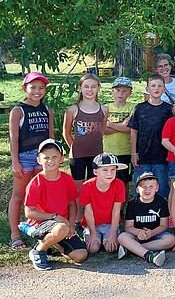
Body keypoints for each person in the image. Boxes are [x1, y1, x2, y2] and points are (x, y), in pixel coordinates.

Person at [22, 139, 87, 270]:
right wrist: (54, 216)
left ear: (61, 159)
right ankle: (38, 250)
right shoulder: (36, 183)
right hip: (41, 222)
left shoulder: (67, 179)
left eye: (54, 157)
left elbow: (72, 204)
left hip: (62, 224)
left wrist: (72, 224)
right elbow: (29, 212)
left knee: (81, 255)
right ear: (39, 160)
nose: (50, 161)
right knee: (61, 228)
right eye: (46, 157)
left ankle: (54, 243)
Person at [8, 72, 54, 250]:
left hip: (43, 158)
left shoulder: (46, 109)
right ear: (24, 88)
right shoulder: (18, 110)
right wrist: (15, 162)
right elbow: (13, 139)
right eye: (33, 87)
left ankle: (37, 229)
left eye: (41, 88)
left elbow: (50, 136)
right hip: (24, 157)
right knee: (19, 195)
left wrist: (53, 158)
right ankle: (15, 234)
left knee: (40, 196)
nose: (37, 91)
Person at [117, 171, 175, 267]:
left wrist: (151, 233)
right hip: (137, 235)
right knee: (122, 237)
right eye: (143, 187)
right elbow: (128, 227)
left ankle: (131, 249)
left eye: (151, 186)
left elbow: (164, 225)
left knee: (171, 239)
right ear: (137, 189)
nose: (147, 189)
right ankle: (149, 255)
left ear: (157, 188)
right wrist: (139, 232)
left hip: (156, 234)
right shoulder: (132, 204)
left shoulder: (161, 202)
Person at [130, 74, 174, 198]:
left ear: (164, 89)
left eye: (160, 85)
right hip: (142, 157)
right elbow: (134, 131)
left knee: (161, 190)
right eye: (153, 85)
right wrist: (134, 153)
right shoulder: (139, 108)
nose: (156, 88)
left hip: (162, 157)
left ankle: (161, 216)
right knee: (140, 190)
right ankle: (138, 214)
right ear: (147, 88)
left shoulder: (169, 109)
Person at [62, 74, 108, 190]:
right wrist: (73, 147)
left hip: (96, 153)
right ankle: (78, 208)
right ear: (80, 88)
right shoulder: (72, 110)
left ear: (98, 88)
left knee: (93, 185)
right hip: (77, 155)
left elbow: (101, 131)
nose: (90, 90)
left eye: (93, 86)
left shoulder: (104, 109)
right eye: (86, 86)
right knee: (78, 187)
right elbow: (66, 133)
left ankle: (90, 208)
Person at [80, 153, 127, 254]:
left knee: (111, 248)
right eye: (105, 170)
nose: (109, 174)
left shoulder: (119, 185)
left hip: (109, 223)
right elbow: (88, 212)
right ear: (96, 171)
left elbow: (116, 211)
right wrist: (93, 234)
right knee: (93, 249)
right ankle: (96, 238)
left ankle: (106, 238)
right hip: (92, 224)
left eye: (113, 170)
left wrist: (112, 234)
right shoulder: (86, 186)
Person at [104, 77, 135, 186]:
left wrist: (110, 124)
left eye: (124, 91)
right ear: (112, 91)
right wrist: (121, 126)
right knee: (108, 180)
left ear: (130, 93)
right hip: (108, 150)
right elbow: (103, 130)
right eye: (118, 90)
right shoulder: (106, 108)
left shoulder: (132, 108)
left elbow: (131, 129)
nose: (120, 93)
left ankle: (122, 203)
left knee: (123, 182)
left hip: (125, 151)